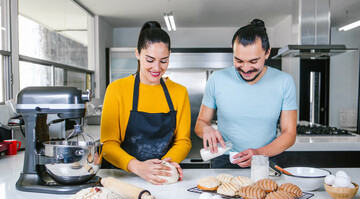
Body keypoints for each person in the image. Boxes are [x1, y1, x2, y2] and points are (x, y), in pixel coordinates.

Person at [195, 19, 297, 168]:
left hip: (265, 159)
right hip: (225, 160)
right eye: (239, 60)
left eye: (253, 61)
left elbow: (289, 134)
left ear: (267, 52)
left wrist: (258, 153)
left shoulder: (284, 81)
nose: (246, 68)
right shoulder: (216, 79)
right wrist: (207, 129)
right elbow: (200, 123)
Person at [101, 21, 191, 184]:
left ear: (170, 55)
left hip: (162, 177)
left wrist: (163, 167)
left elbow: (183, 141)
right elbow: (108, 145)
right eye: (150, 60)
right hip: (122, 178)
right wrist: (137, 167)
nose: (157, 68)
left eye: (163, 60)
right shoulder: (117, 90)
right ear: (137, 53)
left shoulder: (179, 92)